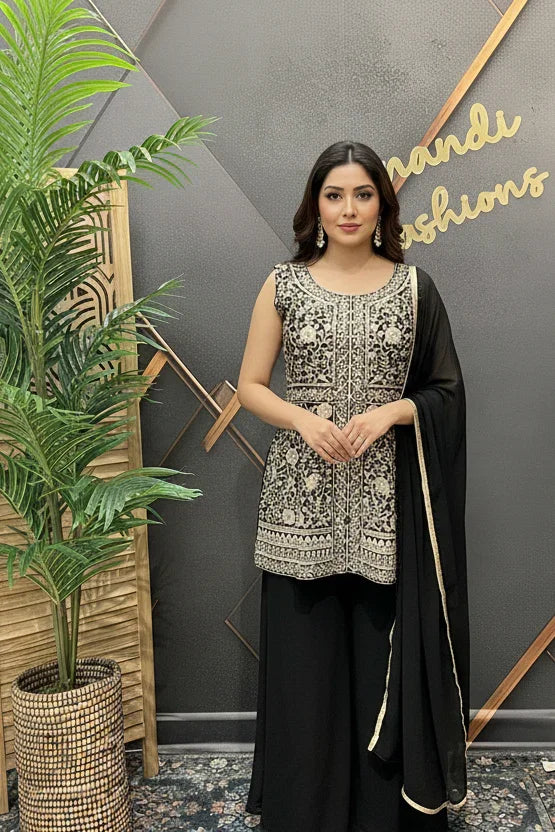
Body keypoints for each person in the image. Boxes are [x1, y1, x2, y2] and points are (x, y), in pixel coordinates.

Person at [236, 141, 470, 832]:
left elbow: (446, 392)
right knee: (304, 671)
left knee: (377, 665)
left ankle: (379, 814)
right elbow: (249, 385)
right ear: (315, 204)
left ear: (381, 206)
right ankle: (304, 811)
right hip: (297, 506)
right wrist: (302, 420)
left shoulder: (414, 288)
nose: (347, 209)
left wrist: (396, 410)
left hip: (382, 506)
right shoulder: (282, 283)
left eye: (361, 194)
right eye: (334, 195)